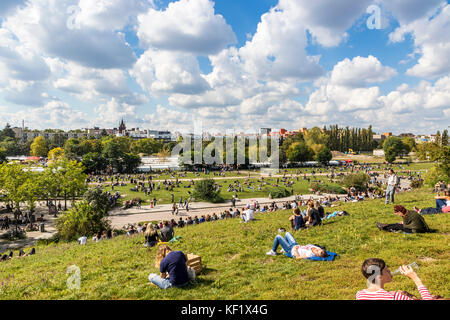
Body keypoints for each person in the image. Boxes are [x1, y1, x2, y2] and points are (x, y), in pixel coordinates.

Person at [356, 258, 433, 300]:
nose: (389, 270)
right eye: (386, 270)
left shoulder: (360, 295)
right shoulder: (393, 296)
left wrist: (411, 297)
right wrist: (416, 279)